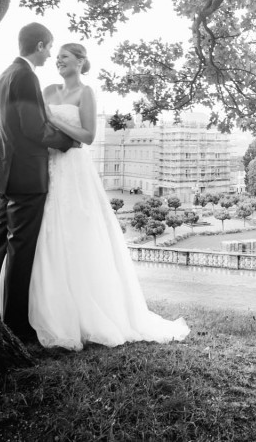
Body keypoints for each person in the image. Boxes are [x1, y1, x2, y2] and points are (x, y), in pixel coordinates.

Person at [29, 42, 189, 350]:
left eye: (64, 56)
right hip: (46, 162)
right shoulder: (48, 89)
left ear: (80, 61)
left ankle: (84, 312)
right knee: (48, 233)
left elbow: (87, 136)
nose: (58, 61)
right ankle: (49, 306)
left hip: (74, 167)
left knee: (77, 233)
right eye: (57, 57)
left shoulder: (86, 93)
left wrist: (53, 117)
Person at [0, 23, 77, 343]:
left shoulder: (5, 75)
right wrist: (66, 141)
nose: (51, 54)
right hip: (27, 177)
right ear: (38, 45)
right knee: (20, 251)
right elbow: (34, 127)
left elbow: (1, 121)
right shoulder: (26, 76)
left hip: (7, 173)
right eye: (49, 47)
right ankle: (16, 327)